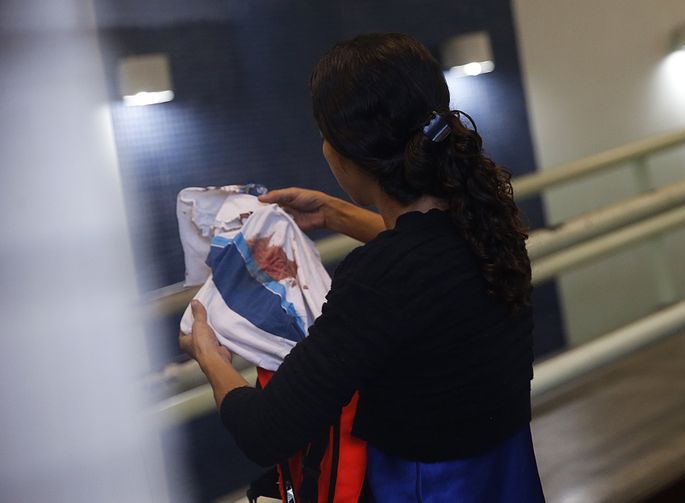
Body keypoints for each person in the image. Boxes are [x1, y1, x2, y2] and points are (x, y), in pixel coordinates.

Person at [179, 32, 545, 502]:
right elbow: (427, 260)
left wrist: (211, 355)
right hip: (506, 483)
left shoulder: (378, 277)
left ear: (346, 153)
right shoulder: (491, 229)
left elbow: (267, 430)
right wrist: (334, 214)